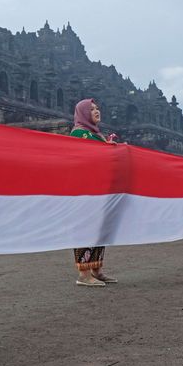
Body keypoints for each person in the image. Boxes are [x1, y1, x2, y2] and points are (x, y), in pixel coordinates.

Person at [70, 98, 118, 286]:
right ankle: (84, 274)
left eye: (97, 108)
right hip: (84, 191)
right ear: (82, 114)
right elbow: (84, 160)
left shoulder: (95, 134)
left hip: (98, 190)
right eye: (91, 109)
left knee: (99, 229)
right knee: (85, 229)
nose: (96, 111)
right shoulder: (80, 134)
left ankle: (97, 269)